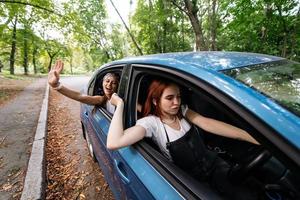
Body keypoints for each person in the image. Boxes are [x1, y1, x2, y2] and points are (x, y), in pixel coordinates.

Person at [107, 79, 259, 199]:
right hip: (192, 183)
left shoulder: (183, 111)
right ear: (155, 101)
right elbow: (114, 142)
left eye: (178, 97)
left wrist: (248, 136)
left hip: (215, 166)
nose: (176, 102)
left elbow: (207, 123)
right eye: (169, 98)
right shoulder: (151, 123)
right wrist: (120, 104)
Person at [48, 60, 119, 114]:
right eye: (107, 81)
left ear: (117, 86)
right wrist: (56, 86)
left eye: (114, 83)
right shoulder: (102, 100)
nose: (109, 85)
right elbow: (79, 96)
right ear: (102, 82)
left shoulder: (120, 100)